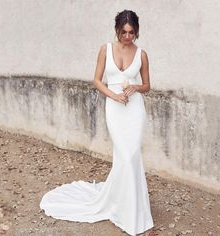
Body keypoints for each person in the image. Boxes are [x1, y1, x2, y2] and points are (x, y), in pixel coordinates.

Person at [40, 9, 155, 236]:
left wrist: (135, 87)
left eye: (132, 33)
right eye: (124, 32)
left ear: (137, 32)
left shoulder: (142, 54)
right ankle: (122, 205)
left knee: (131, 155)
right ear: (117, 30)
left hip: (134, 109)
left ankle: (132, 210)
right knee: (124, 154)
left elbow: (147, 85)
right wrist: (113, 96)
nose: (128, 37)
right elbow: (96, 80)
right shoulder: (106, 49)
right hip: (114, 108)